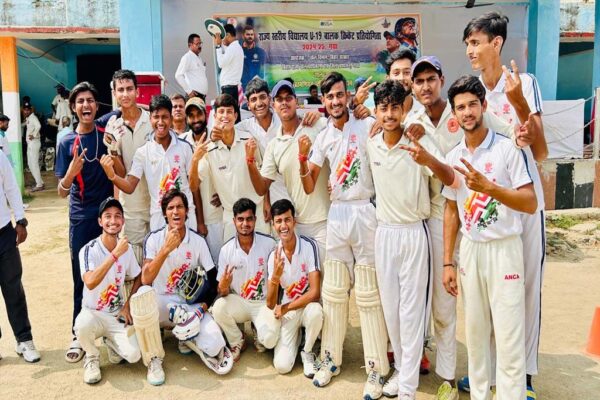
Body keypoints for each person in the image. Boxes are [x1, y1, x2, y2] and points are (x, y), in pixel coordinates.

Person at [409, 55, 515, 400]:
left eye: (431, 78)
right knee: (445, 304)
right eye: (418, 80)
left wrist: (525, 129)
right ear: (412, 86)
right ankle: (448, 377)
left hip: (485, 219)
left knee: (493, 306)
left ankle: (496, 377)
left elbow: (509, 134)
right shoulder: (412, 120)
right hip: (443, 217)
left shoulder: (467, 112)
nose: (425, 86)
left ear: (441, 79)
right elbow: (446, 183)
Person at [460, 13, 547, 398]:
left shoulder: (524, 83)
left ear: (496, 43)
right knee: (486, 294)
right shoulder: (473, 94)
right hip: (487, 205)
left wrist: (520, 106)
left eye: (476, 42)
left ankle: (523, 376)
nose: (470, 51)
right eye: (467, 44)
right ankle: (491, 371)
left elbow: (541, 153)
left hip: (525, 202)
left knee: (525, 289)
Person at [442, 75, 537, 400]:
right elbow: (452, 210)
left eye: (472, 104)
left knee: (509, 336)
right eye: (460, 107)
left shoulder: (507, 148)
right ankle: (480, 395)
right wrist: (447, 262)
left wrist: (491, 188)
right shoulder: (454, 156)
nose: (467, 112)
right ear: (453, 115)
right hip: (471, 252)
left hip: (504, 250)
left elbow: (530, 202)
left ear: (483, 106)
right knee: (476, 334)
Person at [298, 72, 390, 399]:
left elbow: (391, 129)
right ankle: (331, 359)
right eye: (329, 97)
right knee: (335, 291)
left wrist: (372, 112)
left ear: (347, 95)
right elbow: (309, 185)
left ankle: (377, 368)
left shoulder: (365, 125)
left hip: (366, 210)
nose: (335, 102)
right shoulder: (322, 136)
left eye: (340, 95)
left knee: (368, 293)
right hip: (336, 212)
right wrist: (301, 157)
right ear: (322, 101)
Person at [368, 79, 455, 400]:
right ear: (376, 111)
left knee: (412, 313)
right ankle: (403, 373)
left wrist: (426, 158)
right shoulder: (372, 142)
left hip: (413, 233)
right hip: (385, 234)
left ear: (404, 109)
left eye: (394, 107)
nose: (389, 114)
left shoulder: (417, 141)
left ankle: (407, 389)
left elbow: (448, 177)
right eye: (383, 108)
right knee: (391, 312)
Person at [56, 81, 118, 363]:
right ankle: (77, 333)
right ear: (73, 107)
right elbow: (60, 190)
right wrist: (70, 173)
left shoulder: (107, 135)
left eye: (90, 101)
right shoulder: (66, 142)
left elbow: (129, 109)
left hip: (107, 216)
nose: (85, 106)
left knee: (112, 273)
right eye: (80, 101)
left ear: (97, 105)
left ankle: (110, 328)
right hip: (81, 217)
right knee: (81, 277)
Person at [141, 189, 232, 377]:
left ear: (186, 211)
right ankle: (154, 359)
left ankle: (186, 335)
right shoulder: (154, 239)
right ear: (164, 213)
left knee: (215, 344)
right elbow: (146, 278)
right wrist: (165, 249)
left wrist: (201, 310)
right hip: (163, 303)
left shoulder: (197, 241)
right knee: (142, 297)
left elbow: (214, 280)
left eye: (180, 207)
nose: (176, 212)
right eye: (171, 208)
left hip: (189, 305)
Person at [245, 79, 329, 259]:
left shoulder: (318, 125)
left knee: (332, 281)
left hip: (327, 220)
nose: (284, 102)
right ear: (273, 105)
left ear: (296, 102)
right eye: (279, 99)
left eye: (288, 98)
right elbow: (261, 188)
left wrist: (360, 110)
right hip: (297, 224)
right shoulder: (274, 145)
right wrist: (250, 161)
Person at [100, 94, 200, 232]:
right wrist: (112, 176)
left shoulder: (185, 147)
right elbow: (129, 186)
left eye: (164, 117)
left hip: (187, 217)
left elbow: (194, 187)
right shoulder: (143, 152)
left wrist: (200, 222)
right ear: (150, 119)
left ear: (171, 119)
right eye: (156, 117)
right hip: (159, 219)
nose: (160, 122)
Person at [74, 197, 145, 384]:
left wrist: (128, 305)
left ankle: (111, 342)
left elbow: (139, 276)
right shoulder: (89, 249)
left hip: (116, 314)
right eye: (107, 216)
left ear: (123, 222)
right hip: (93, 313)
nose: (113, 221)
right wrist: (114, 255)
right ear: (100, 221)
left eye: (117, 216)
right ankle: (92, 356)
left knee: (134, 355)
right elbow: (89, 281)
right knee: (81, 325)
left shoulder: (126, 249)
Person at [190, 93, 270, 241]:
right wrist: (194, 160)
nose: (225, 116)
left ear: (235, 115)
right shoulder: (209, 149)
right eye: (221, 111)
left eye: (229, 111)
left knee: (262, 261)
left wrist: (267, 201)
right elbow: (194, 185)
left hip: (256, 211)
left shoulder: (249, 139)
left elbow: (265, 173)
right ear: (214, 116)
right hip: (231, 216)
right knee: (233, 263)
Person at [212, 198, 279, 362]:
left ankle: (258, 330)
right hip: (240, 302)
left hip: (263, 303)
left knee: (269, 341)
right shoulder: (226, 250)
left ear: (255, 220)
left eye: (249, 219)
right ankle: (237, 340)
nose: (245, 224)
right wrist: (224, 286)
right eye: (240, 219)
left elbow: (278, 280)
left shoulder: (269, 244)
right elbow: (222, 291)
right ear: (234, 221)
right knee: (218, 308)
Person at [99, 69, 152, 264]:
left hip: (156, 200)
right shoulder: (113, 125)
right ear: (114, 94)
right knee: (136, 258)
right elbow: (122, 172)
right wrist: (113, 151)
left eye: (129, 89)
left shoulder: (151, 120)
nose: (125, 94)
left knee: (159, 256)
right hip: (131, 204)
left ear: (137, 91)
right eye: (120, 89)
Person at [266, 199, 322, 376]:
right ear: (273, 225)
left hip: (304, 307)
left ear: (294, 221)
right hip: (289, 312)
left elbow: (314, 292)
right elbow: (269, 303)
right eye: (279, 221)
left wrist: (285, 307)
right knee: (282, 366)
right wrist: (275, 277)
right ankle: (297, 338)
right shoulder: (273, 257)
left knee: (315, 312)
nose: (284, 226)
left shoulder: (308, 246)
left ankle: (307, 351)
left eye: (287, 220)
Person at [0, 150, 40, 363]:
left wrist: (21, 221)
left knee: (13, 288)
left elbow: (11, 188)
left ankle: (24, 340)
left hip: (4, 233)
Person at [180, 97, 223, 260]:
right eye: (191, 115)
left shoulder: (216, 139)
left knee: (218, 263)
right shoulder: (181, 142)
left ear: (205, 115)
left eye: (199, 114)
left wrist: (224, 194)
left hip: (214, 213)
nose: (196, 119)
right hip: (189, 217)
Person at [214, 23, 244, 123]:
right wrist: (220, 44)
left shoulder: (233, 48)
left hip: (230, 89)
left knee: (230, 118)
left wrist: (218, 46)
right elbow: (226, 53)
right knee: (233, 117)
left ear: (228, 35)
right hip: (231, 89)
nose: (222, 40)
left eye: (223, 37)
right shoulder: (234, 47)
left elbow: (221, 63)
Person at [175, 33, 208, 100]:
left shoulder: (198, 58)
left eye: (200, 43)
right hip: (194, 96)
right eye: (197, 44)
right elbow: (178, 75)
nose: (199, 46)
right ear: (190, 45)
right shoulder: (187, 57)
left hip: (201, 96)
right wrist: (189, 91)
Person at [23, 102, 44, 192]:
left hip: (34, 143)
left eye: (28, 110)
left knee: (34, 164)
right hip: (30, 144)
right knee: (30, 165)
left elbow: (39, 126)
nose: (26, 111)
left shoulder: (33, 117)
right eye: (25, 110)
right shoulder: (29, 118)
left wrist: (34, 135)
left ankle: (39, 185)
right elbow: (25, 124)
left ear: (30, 110)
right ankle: (40, 182)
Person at [241, 25, 268, 90]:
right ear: (243, 36)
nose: (250, 36)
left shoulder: (261, 52)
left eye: (251, 34)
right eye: (247, 34)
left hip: (257, 89)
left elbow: (265, 72)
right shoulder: (238, 51)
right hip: (242, 90)